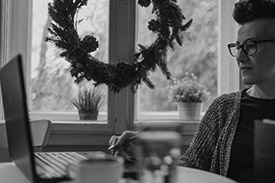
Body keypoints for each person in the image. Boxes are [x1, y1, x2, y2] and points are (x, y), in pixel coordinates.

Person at [109, 0, 275, 182]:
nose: (240, 57)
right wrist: (146, 147)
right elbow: (190, 166)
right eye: (238, 47)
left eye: (251, 46)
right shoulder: (224, 109)